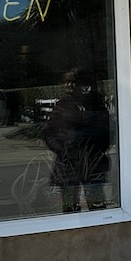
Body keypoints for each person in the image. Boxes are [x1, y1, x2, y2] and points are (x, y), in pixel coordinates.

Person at [41, 70, 111, 213]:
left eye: (74, 82)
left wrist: (95, 148)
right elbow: (48, 132)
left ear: (82, 84)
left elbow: (106, 131)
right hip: (68, 165)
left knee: (98, 208)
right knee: (70, 210)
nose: (70, 85)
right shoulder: (62, 105)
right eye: (66, 82)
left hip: (93, 164)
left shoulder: (95, 104)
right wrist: (62, 150)